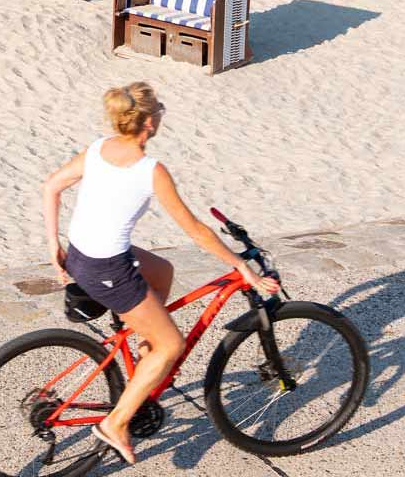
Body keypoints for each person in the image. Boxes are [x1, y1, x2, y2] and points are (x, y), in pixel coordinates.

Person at [42, 83, 280, 465]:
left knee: (163, 271)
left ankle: (143, 355)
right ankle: (115, 423)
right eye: (161, 111)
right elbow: (196, 231)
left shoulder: (99, 148)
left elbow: (51, 186)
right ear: (150, 122)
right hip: (108, 268)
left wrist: (53, 244)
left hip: (82, 254)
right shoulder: (151, 171)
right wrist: (241, 266)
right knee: (173, 345)